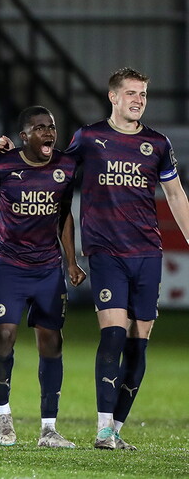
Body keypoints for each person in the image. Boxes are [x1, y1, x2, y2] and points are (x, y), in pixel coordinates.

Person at [65, 67, 189, 450]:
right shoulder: (89, 137)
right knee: (114, 334)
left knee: (139, 342)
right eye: (131, 93)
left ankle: (116, 428)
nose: (138, 100)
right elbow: (55, 178)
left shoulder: (158, 143)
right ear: (113, 97)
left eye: (143, 94)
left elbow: (176, 196)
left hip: (147, 253)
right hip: (105, 252)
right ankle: (103, 429)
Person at [0, 106, 85, 448]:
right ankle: (2, 412)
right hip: (9, 266)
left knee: (51, 342)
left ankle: (49, 428)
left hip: (47, 269)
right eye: (39, 128)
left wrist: (70, 261)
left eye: (51, 127)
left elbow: (64, 214)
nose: (48, 133)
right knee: (5, 336)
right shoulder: (4, 164)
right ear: (24, 136)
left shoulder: (66, 166)